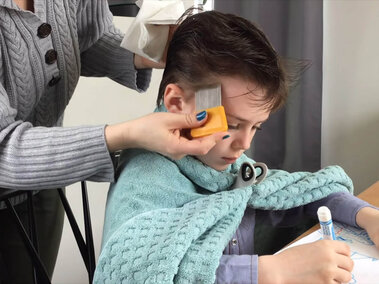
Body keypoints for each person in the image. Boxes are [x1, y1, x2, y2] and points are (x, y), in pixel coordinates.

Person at [96, 10, 379, 284]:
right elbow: (134, 274)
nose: (245, 143)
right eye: (232, 124)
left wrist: (367, 216)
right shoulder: (144, 185)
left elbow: (297, 194)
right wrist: (271, 271)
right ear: (177, 103)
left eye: (256, 127)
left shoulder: (223, 164)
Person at [0, 1, 227, 283]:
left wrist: (146, 52)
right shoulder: (141, 193)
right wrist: (126, 135)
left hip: (45, 182)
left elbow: (83, 40)